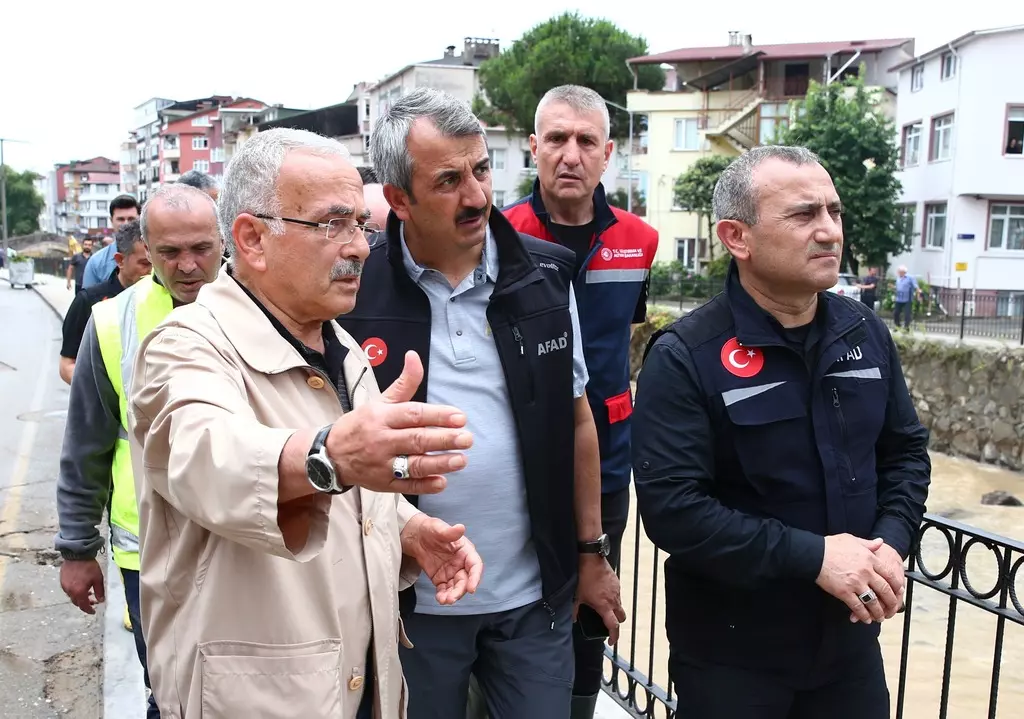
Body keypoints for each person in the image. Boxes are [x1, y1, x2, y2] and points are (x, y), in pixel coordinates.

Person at [127, 127, 483, 719]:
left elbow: (351, 498)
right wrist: (329, 456)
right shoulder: (185, 345)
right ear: (252, 240)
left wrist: (408, 528)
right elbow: (206, 454)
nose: (360, 248)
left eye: (360, 227)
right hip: (251, 699)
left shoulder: (338, 348)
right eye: (331, 225)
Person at [337, 88, 623, 719]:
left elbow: (579, 423)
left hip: (533, 603)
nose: (475, 196)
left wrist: (590, 554)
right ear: (397, 199)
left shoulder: (544, 275)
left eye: (481, 170)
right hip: (411, 603)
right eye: (448, 180)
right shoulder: (357, 290)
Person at [631, 145, 931, 719]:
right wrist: (814, 557)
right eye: (803, 215)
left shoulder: (864, 333)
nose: (829, 232)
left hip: (849, 651)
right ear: (736, 237)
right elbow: (673, 510)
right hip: (734, 658)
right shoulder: (687, 356)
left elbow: (905, 454)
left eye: (834, 212)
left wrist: (891, 543)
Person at [503, 85, 658, 719]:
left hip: (610, 465)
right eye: (557, 139)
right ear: (533, 148)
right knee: (514, 604)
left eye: (586, 141)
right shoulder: (498, 235)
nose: (571, 154)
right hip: (519, 460)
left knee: (592, 606)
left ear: (608, 154)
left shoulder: (640, 242)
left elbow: (627, 336)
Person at [55, 183, 225, 719]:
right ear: (145, 250)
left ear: (226, 241)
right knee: (170, 693)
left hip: (247, 542)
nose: (189, 265)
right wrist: (78, 549)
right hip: (151, 552)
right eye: (171, 252)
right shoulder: (112, 322)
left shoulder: (264, 308)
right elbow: (86, 443)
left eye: (201, 248)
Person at [58, 220, 152, 384]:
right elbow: (67, 366)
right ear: (120, 260)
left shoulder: (167, 297)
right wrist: (103, 393)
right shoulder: (89, 302)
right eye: (145, 263)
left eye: (156, 262)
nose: (152, 271)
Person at [82, 195, 141, 288]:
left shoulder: (153, 259)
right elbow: (87, 300)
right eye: (120, 219)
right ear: (111, 221)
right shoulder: (96, 263)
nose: (126, 224)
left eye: (131, 219)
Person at [892, 265, 919, 331]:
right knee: (896, 313)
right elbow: (898, 287)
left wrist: (918, 291)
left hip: (907, 299)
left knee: (907, 314)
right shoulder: (898, 278)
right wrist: (894, 288)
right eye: (898, 272)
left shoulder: (910, 278)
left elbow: (915, 286)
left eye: (899, 272)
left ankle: (906, 327)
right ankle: (897, 326)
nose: (898, 273)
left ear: (903, 272)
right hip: (899, 299)